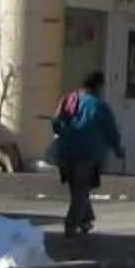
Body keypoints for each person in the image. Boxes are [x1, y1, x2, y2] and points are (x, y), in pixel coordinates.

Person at [47, 69, 126, 236]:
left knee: (77, 188)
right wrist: (118, 150)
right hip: (87, 153)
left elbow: (56, 123)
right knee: (81, 191)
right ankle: (71, 227)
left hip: (66, 152)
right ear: (98, 86)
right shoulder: (98, 105)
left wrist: (65, 135)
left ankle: (86, 221)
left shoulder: (69, 99)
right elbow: (110, 130)